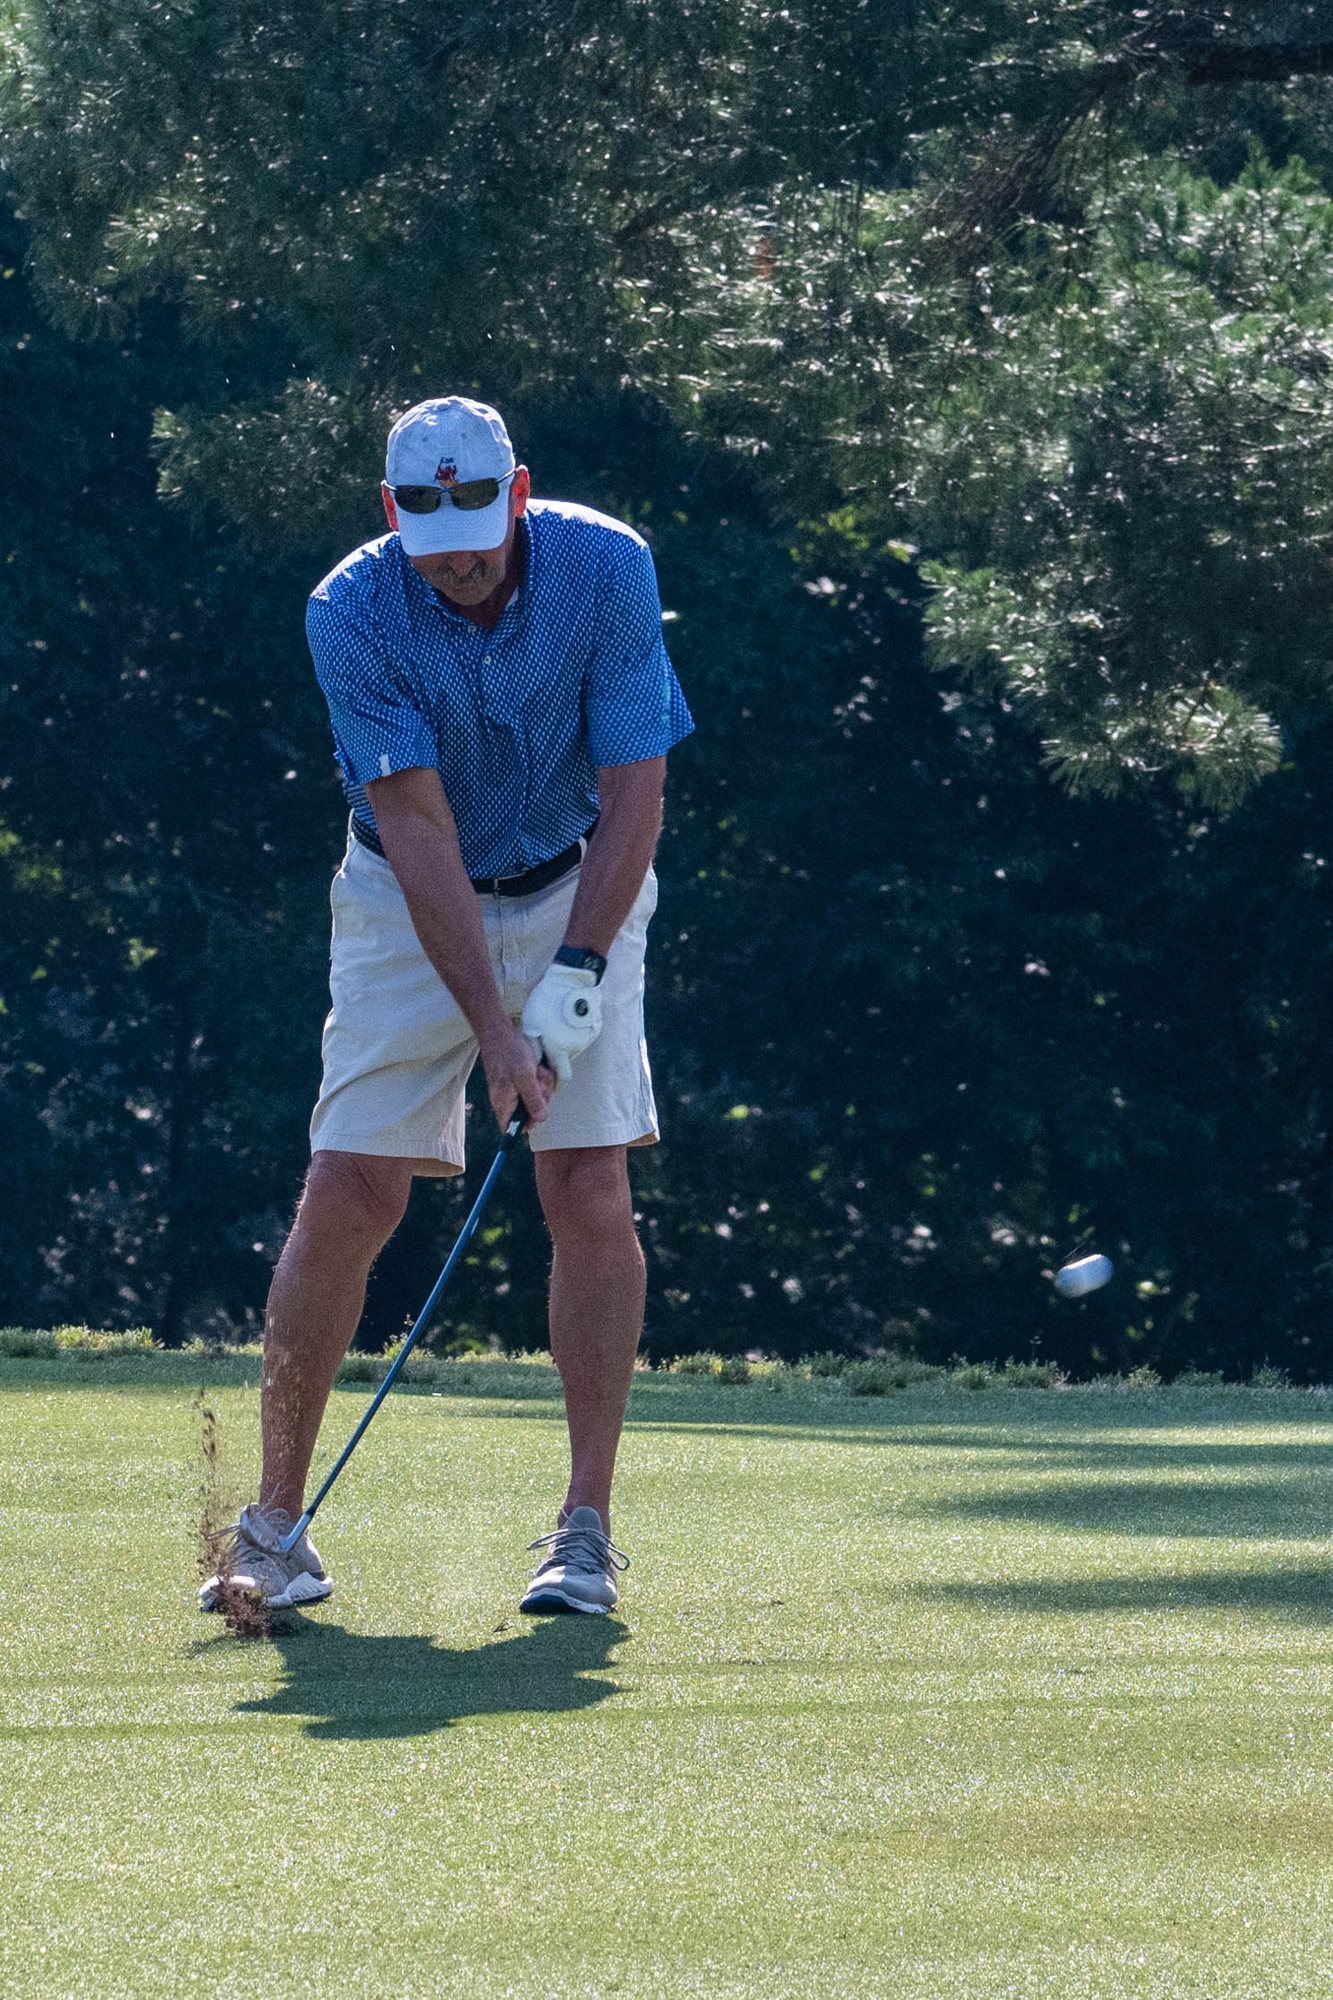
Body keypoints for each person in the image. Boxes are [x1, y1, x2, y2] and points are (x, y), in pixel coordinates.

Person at [201, 395, 693, 1617]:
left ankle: (584, 1531)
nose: (459, 561)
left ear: (516, 493)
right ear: (392, 511)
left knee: (586, 1181)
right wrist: (494, 1029)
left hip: (578, 875)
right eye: (432, 538)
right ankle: (276, 1529)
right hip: (403, 893)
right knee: (348, 1184)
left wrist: (575, 971)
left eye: (477, 531)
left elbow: (636, 789)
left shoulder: (608, 565)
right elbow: (417, 829)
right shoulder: (349, 608)